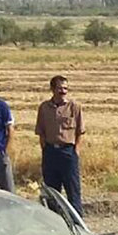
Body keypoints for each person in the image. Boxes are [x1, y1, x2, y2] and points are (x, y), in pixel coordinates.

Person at [35, 75, 86, 215]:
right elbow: (40, 131)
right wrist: (45, 148)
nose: (63, 91)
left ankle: (77, 223)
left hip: (68, 153)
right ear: (52, 89)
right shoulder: (44, 108)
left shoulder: (75, 107)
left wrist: (76, 150)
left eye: (65, 88)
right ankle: (54, 221)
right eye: (60, 88)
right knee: (51, 192)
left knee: (73, 189)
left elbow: (80, 131)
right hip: (50, 152)